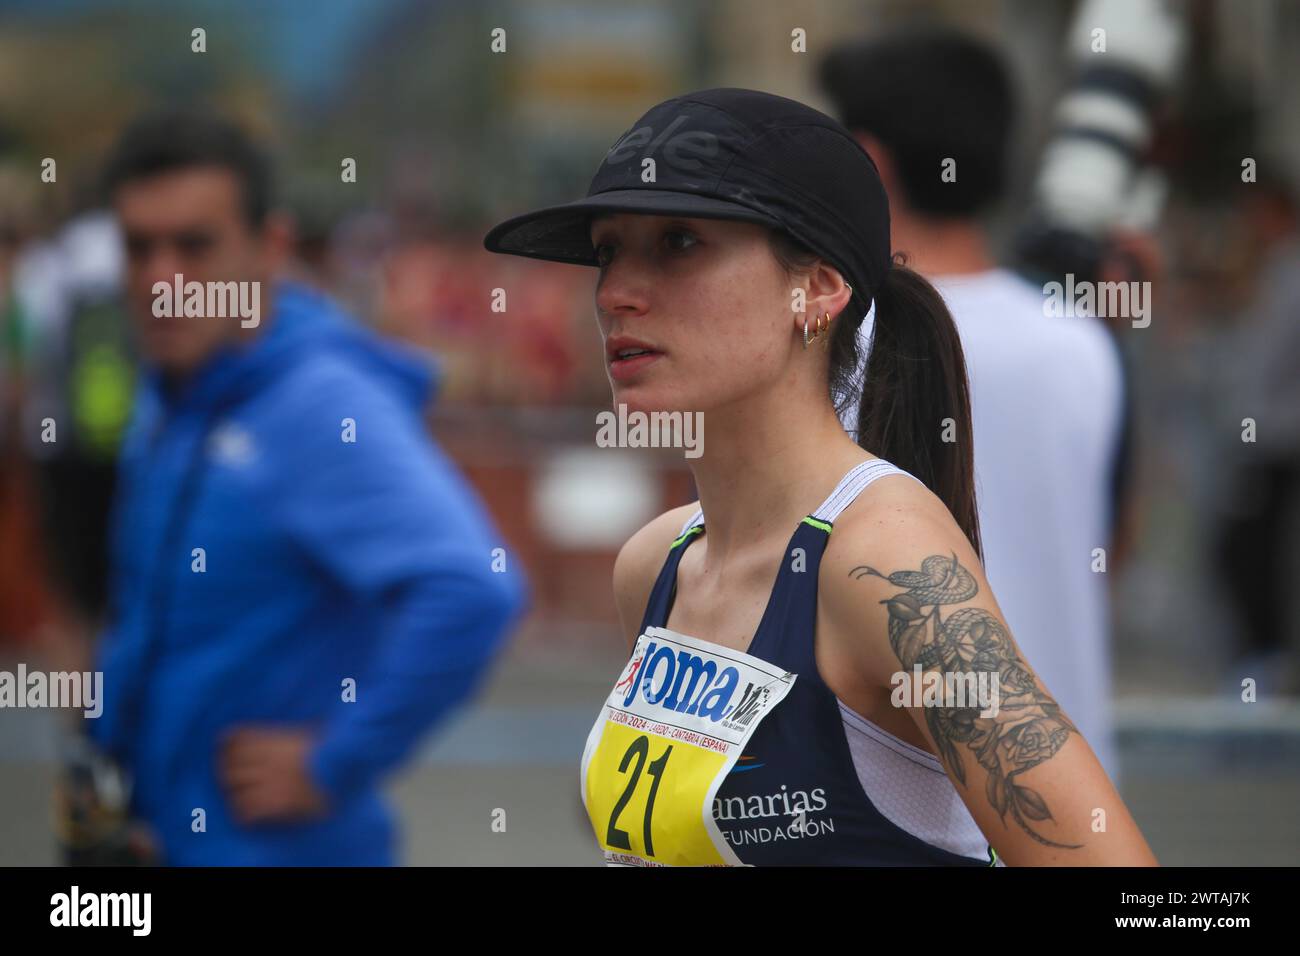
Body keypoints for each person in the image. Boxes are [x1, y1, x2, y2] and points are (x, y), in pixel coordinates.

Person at [484, 88, 1155, 865]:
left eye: (679, 242)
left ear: (821, 290)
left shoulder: (886, 561)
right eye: (608, 251)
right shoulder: (657, 564)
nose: (616, 293)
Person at [87, 110, 527, 865]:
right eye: (138, 248)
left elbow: (474, 588)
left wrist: (333, 763)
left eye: (194, 246)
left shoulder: (320, 406)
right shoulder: (173, 390)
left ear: (272, 248)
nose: (163, 280)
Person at [819, 29, 1132, 781]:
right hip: (1074, 786)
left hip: (904, 802)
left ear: (870, 160)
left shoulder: (832, 342)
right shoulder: (1085, 342)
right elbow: (1114, 546)